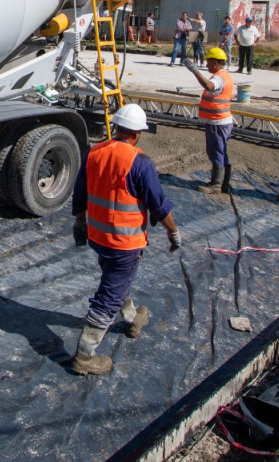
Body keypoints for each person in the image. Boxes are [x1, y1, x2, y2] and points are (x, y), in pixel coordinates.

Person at [70, 103, 181, 375]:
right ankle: (84, 356)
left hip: (99, 236)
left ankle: (132, 318)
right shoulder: (139, 162)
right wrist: (173, 231)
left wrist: (79, 222)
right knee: (109, 294)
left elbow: (80, 191)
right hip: (124, 242)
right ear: (138, 133)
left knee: (117, 279)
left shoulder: (95, 152)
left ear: (116, 127)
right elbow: (159, 205)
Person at [180, 47, 235, 193]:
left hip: (217, 122)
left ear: (216, 63)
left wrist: (194, 71)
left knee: (216, 152)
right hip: (223, 121)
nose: (207, 65)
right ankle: (224, 183)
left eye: (209, 62)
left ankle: (217, 185)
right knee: (222, 152)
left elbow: (209, 86)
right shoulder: (226, 76)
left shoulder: (218, 78)